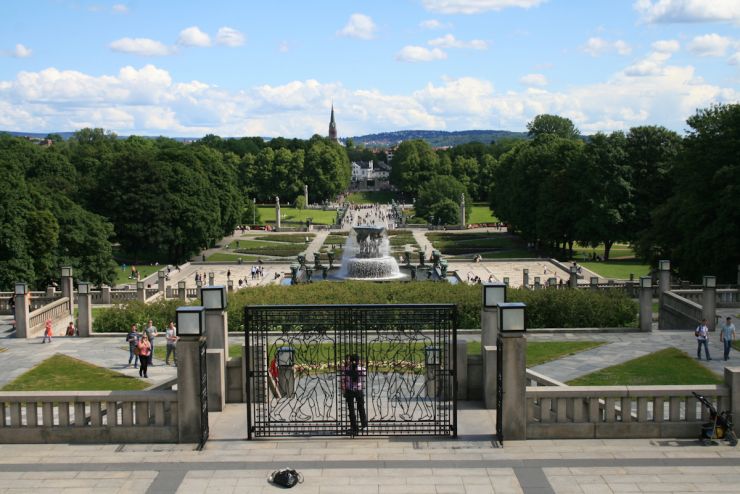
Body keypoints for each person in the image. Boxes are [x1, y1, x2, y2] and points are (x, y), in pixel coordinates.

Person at [340, 354, 368, 435]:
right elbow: (364, 375)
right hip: (358, 389)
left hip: (350, 390)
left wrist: (343, 389)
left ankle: (354, 426)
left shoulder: (346, 369)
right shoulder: (362, 369)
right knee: (361, 407)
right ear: (358, 361)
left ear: (350, 361)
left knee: (351, 409)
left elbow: (343, 379)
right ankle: (364, 425)